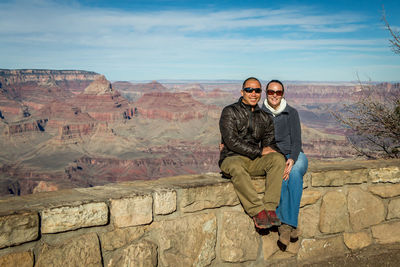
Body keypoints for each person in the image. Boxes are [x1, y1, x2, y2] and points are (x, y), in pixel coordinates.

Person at [219, 77, 286, 229]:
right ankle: (258, 211)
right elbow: (231, 141)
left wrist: (284, 156)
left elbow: (270, 145)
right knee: (236, 167)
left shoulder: (264, 117)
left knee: (277, 159)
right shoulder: (230, 112)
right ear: (242, 92)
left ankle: (270, 208)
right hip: (231, 157)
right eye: (249, 90)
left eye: (257, 90)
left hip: (254, 160)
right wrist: (259, 150)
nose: (253, 93)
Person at [261, 79, 308, 246]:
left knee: (294, 172)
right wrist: (281, 159)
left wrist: (292, 159)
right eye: (271, 92)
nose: (275, 95)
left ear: (283, 94)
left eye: (278, 92)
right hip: (276, 156)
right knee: (281, 176)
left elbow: (297, 141)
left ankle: (284, 225)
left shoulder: (291, 113)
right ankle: (290, 227)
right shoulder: (260, 114)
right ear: (266, 94)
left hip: (295, 154)